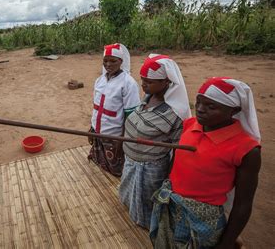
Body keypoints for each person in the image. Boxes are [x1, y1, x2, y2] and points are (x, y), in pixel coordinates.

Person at [150, 77, 261, 248]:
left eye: (211, 106)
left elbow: (243, 204)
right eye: (198, 102)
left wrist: (225, 244)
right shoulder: (190, 125)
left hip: (203, 217)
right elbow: (176, 158)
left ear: (234, 110)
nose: (200, 110)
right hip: (171, 203)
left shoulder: (247, 149)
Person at [119, 54, 191, 229]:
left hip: (151, 167)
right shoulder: (147, 98)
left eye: (149, 82)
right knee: (131, 195)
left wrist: (170, 176)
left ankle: (147, 226)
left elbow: (177, 150)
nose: (143, 84)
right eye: (142, 80)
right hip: (132, 161)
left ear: (166, 82)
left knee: (147, 199)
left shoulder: (174, 113)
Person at [89, 43, 140, 176]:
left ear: (121, 62)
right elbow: (96, 108)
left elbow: (130, 116)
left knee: (116, 170)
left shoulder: (128, 84)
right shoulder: (99, 80)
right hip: (98, 132)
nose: (108, 64)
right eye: (105, 61)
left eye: (113, 61)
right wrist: (92, 128)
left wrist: (121, 140)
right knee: (99, 161)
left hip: (114, 136)